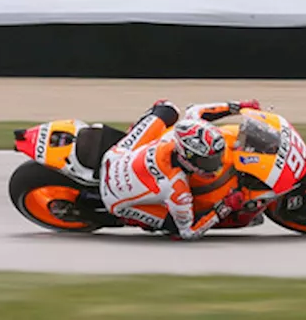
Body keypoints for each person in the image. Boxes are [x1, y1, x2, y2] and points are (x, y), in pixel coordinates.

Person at [98, 98, 262, 240]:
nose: (216, 165)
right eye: (207, 161)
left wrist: (240, 106)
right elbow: (189, 232)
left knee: (167, 108)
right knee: (176, 229)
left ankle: (133, 130)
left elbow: (196, 110)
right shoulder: (177, 188)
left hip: (116, 156)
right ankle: (135, 220)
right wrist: (224, 207)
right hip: (114, 197)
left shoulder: (180, 133)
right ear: (187, 157)